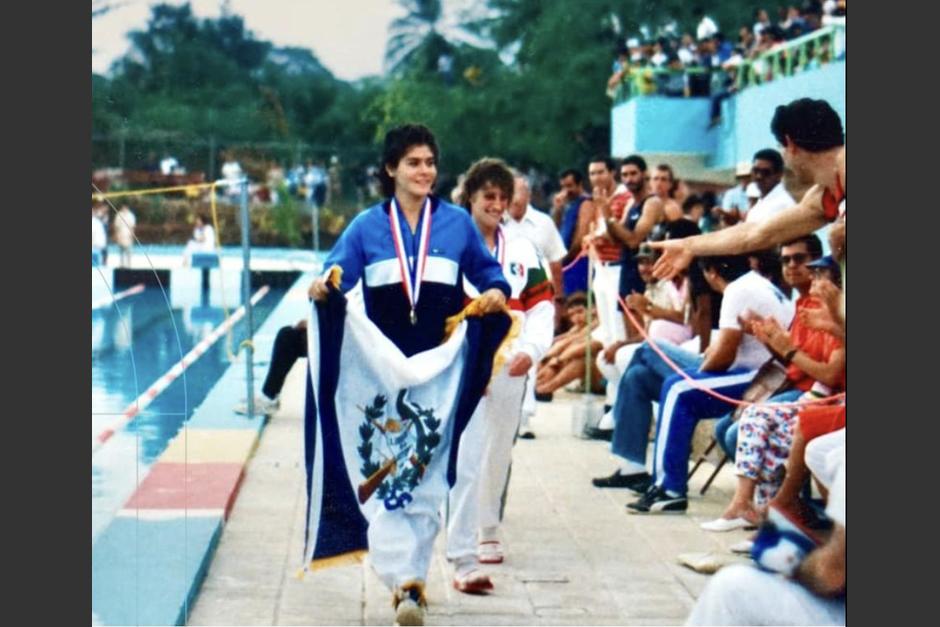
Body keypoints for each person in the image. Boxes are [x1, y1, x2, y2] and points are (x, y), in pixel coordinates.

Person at [307, 124, 510, 626]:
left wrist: (497, 291)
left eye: (430, 163)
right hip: (381, 374)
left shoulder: (458, 225)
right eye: (414, 162)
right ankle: (403, 578)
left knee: (427, 471)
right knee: (384, 474)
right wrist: (321, 287)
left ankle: (410, 581)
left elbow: (489, 273)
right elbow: (336, 277)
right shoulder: (365, 228)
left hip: (438, 370)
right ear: (391, 169)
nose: (425, 172)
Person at [446, 158, 554, 593]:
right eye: (487, 196)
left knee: (498, 451)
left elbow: (543, 306)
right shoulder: (451, 244)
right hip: (463, 361)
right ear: (470, 197)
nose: (496, 204)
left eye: (502, 198)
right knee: (466, 452)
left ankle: (488, 526)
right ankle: (461, 545)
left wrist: (533, 348)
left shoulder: (524, 249)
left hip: (512, 363)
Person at [651, 98, 845, 292]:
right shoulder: (823, 195)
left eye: (781, 148)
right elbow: (755, 234)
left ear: (790, 144)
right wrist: (689, 246)